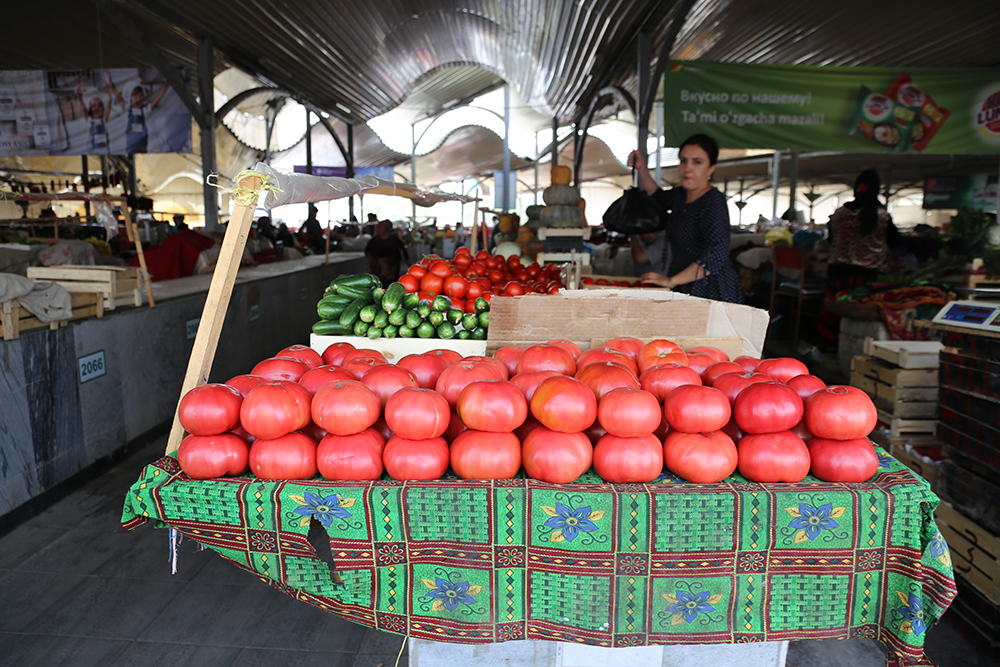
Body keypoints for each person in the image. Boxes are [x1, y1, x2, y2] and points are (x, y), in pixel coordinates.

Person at [626, 134, 742, 303]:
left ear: (711, 168)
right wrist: (642, 168)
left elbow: (716, 255)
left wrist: (671, 281)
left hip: (710, 290)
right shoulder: (682, 196)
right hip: (684, 284)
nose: (687, 168)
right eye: (683, 160)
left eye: (697, 162)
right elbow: (658, 196)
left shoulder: (713, 202)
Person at [817, 170, 901, 349]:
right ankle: (856, 348)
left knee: (835, 308)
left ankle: (829, 345)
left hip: (838, 271)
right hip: (867, 274)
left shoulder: (840, 213)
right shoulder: (882, 216)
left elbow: (832, 239)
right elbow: (895, 241)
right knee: (858, 311)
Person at [365, 220, 409, 287]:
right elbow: (367, 251)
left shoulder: (395, 240)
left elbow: (404, 252)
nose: (378, 230)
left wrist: (409, 265)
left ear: (387, 229)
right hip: (377, 269)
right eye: (378, 228)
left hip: (392, 270)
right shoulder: (374, 240)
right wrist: (372, 260)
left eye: (380, 228)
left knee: (391, 286)